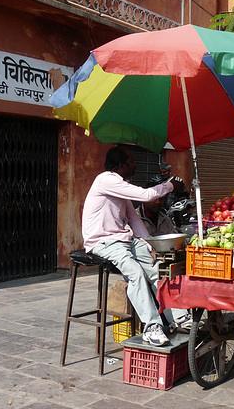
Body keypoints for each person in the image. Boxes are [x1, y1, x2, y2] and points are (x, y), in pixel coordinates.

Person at [82, 145, 186, 346]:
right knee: (136, 273)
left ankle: (179, 317)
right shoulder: (106, 180)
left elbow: (133, 219)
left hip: (124, 240)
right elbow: (147, 196)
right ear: (121, 165)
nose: (136, 164)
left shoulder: (120, 185)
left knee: (158, 269)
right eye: (131, 161)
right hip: (103, 242)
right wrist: (170, 185)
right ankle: (152, 326)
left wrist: (148, 243)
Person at [135, 192, 193, 331]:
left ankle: (180, 316)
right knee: (159, 274)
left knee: (177, 273)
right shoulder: (135, 218)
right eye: (154, 199)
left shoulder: (164, 218)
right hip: (143, 260)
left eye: (161, 199)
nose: (158, 202)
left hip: (163, 259)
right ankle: (172, 319)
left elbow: (173, 238)